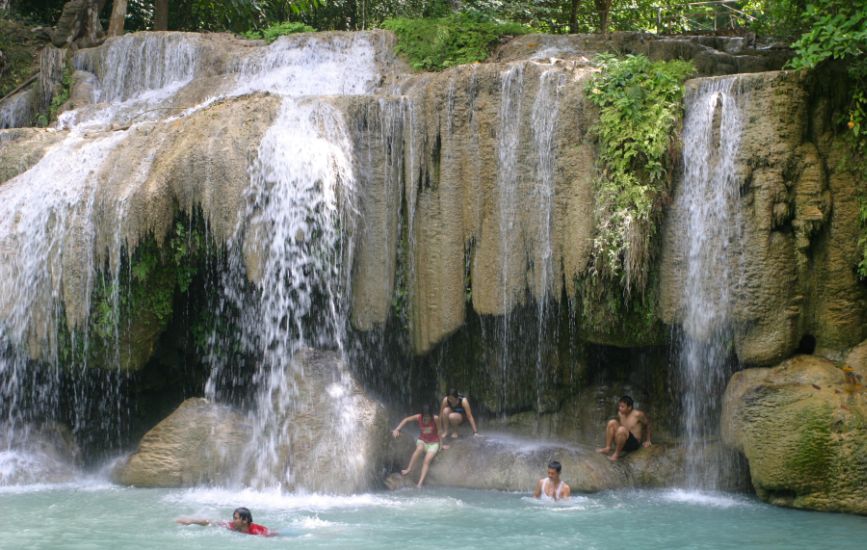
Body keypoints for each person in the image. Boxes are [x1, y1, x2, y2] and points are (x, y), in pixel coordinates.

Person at [392, 404, 442, 488]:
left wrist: (441, 444)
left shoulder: (436, 418)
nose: (427, 418)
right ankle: (409, 469)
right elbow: (406, 419)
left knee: (426, 461)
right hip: (422, 441)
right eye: (425, 416)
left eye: (428, 416)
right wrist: (397, 429)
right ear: (422, 415)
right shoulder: (419, 417)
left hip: (433, 443)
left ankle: (420, 483)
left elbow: (440, 431)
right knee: (419, 448)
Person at [596, 395, 652, 462]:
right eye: (619, 406)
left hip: (633, 444)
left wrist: (648, 440)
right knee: (612, 422)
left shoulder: (638, 415)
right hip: (623, 438)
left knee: (622, 429)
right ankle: (607, 447)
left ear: (629, 407)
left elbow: (648, 424)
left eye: (622, 407)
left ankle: (616, 455)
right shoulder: (620, 413)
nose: (620, 408)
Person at [176, 506, 273, 536]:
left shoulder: (258, 531)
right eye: (233, 517)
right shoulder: (231, 525)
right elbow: (210, 522)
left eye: (236, 518)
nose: (233, 520)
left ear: (245, 520)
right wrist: (191, 521)